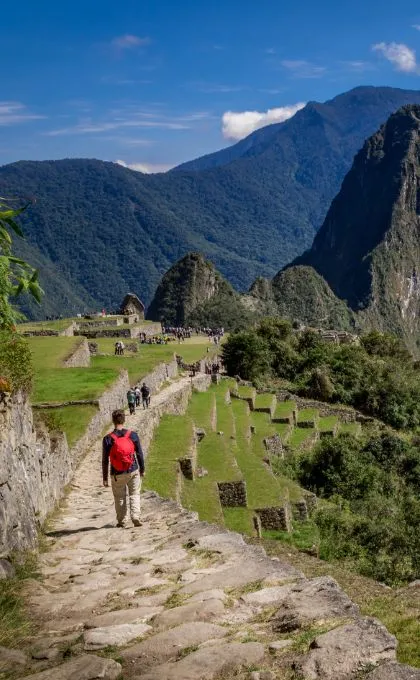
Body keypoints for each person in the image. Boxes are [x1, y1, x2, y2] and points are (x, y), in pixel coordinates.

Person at [102, 409, 145, 527]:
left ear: (113, 421)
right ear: (124, 420)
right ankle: (135, 516)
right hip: (133, 470)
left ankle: (122, 521)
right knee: (135, 493)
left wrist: (105, 478)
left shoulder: (107, 439)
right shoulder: (133, 435)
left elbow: (105, 460)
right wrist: (142, 469)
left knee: (119, 497)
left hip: (116, 473)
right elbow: (139, 454)